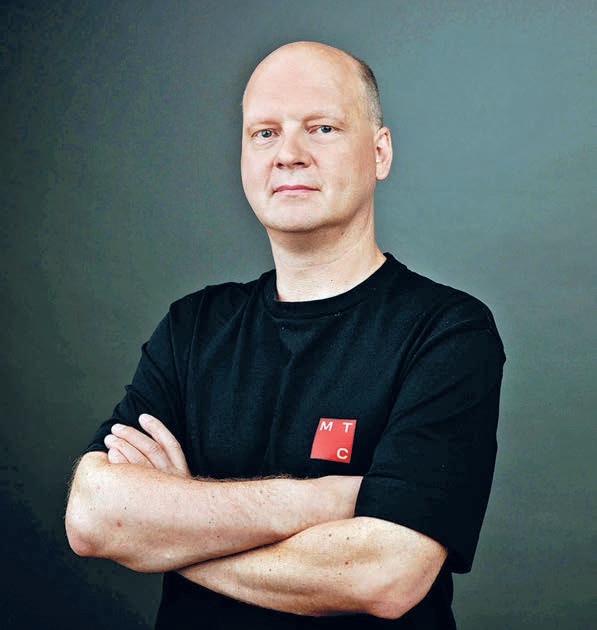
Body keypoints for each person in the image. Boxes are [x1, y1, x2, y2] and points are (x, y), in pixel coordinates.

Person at [65, 41, 505, 629]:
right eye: (265, 133)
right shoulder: (192, 327)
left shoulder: (448, 331)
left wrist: (172, 531)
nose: (289, 155)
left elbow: (386, 575)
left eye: (322, 128)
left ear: (379, 152)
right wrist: (318, 501)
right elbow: (93, 515)